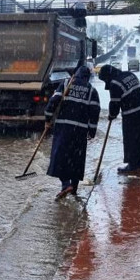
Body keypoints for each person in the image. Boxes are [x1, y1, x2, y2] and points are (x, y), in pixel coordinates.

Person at [44, 65, 100, 200]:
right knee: (76, 160)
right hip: (80, 131)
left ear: (76, 74)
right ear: (87, 77)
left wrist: (48, 118)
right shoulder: (91, 90)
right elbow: (95, 112)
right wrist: (92, 131)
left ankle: (65, 185)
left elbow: (53, 101)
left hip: (64, 128)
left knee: (59, 158)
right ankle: (73, 190)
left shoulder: (66, 84)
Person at [98, 64, 140, 174]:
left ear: (108, 76)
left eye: (104, 80)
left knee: (132, 142)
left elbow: (114, 104)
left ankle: (133, 167)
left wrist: (111, 115)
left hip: (132, 116)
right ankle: (139, 166)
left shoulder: (115, 83)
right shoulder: (130, 75)